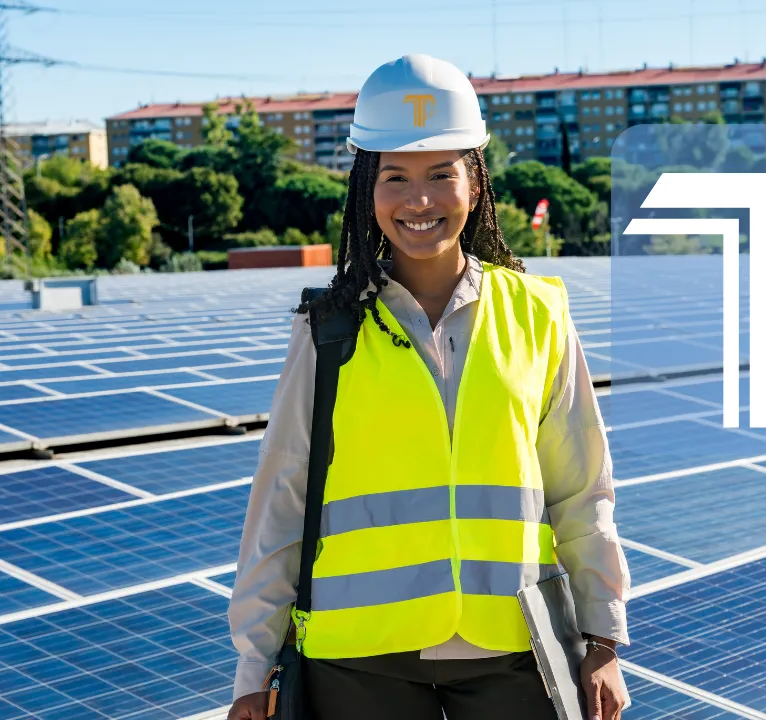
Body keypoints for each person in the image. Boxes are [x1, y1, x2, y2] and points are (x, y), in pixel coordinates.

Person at [226, 53, 631, 720]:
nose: (419, 200)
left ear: (475, 183)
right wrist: (252, 668)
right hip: (358, 661)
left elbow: (583, 490)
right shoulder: (328, 329)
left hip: (513, 650)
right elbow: (280, 502)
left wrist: (604, 636)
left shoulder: (538, 315)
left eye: (441, 173)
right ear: (366, 189)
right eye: (396, 177)